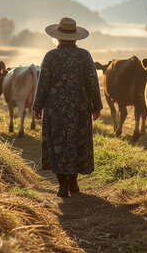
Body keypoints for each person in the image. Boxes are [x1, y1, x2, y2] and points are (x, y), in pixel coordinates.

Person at [32, 17, 103, 198]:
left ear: (58, 37)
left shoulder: (50, 56)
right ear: (76, 38)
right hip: (80, 108)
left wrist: (37, 106)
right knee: (77, 142)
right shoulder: (84, 55)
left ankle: (62, 184)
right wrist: (97, 105)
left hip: (55, 110)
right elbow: (92, 82)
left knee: (58, 144)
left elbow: (43, 84)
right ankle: (73, 182)